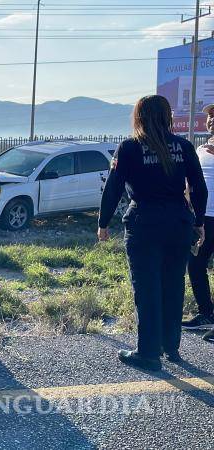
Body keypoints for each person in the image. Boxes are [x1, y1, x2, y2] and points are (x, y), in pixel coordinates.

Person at [99, 95, 207, 371]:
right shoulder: (183, 146)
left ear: (139, 117)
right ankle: (171, 348)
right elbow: (198, 187)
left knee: (146, 288)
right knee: (173, 285)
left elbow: (113, 188)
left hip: (144, 223)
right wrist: (198, 221)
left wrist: (103, 223)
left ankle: (148, 353)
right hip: (179, 223)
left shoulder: (130, 148)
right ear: (168, 116)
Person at [183, 103, 214, 334]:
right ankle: (206, 313)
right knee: (195, 265)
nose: (211, 120)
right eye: (210, 116)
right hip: (203, 218)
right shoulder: (201, 149)